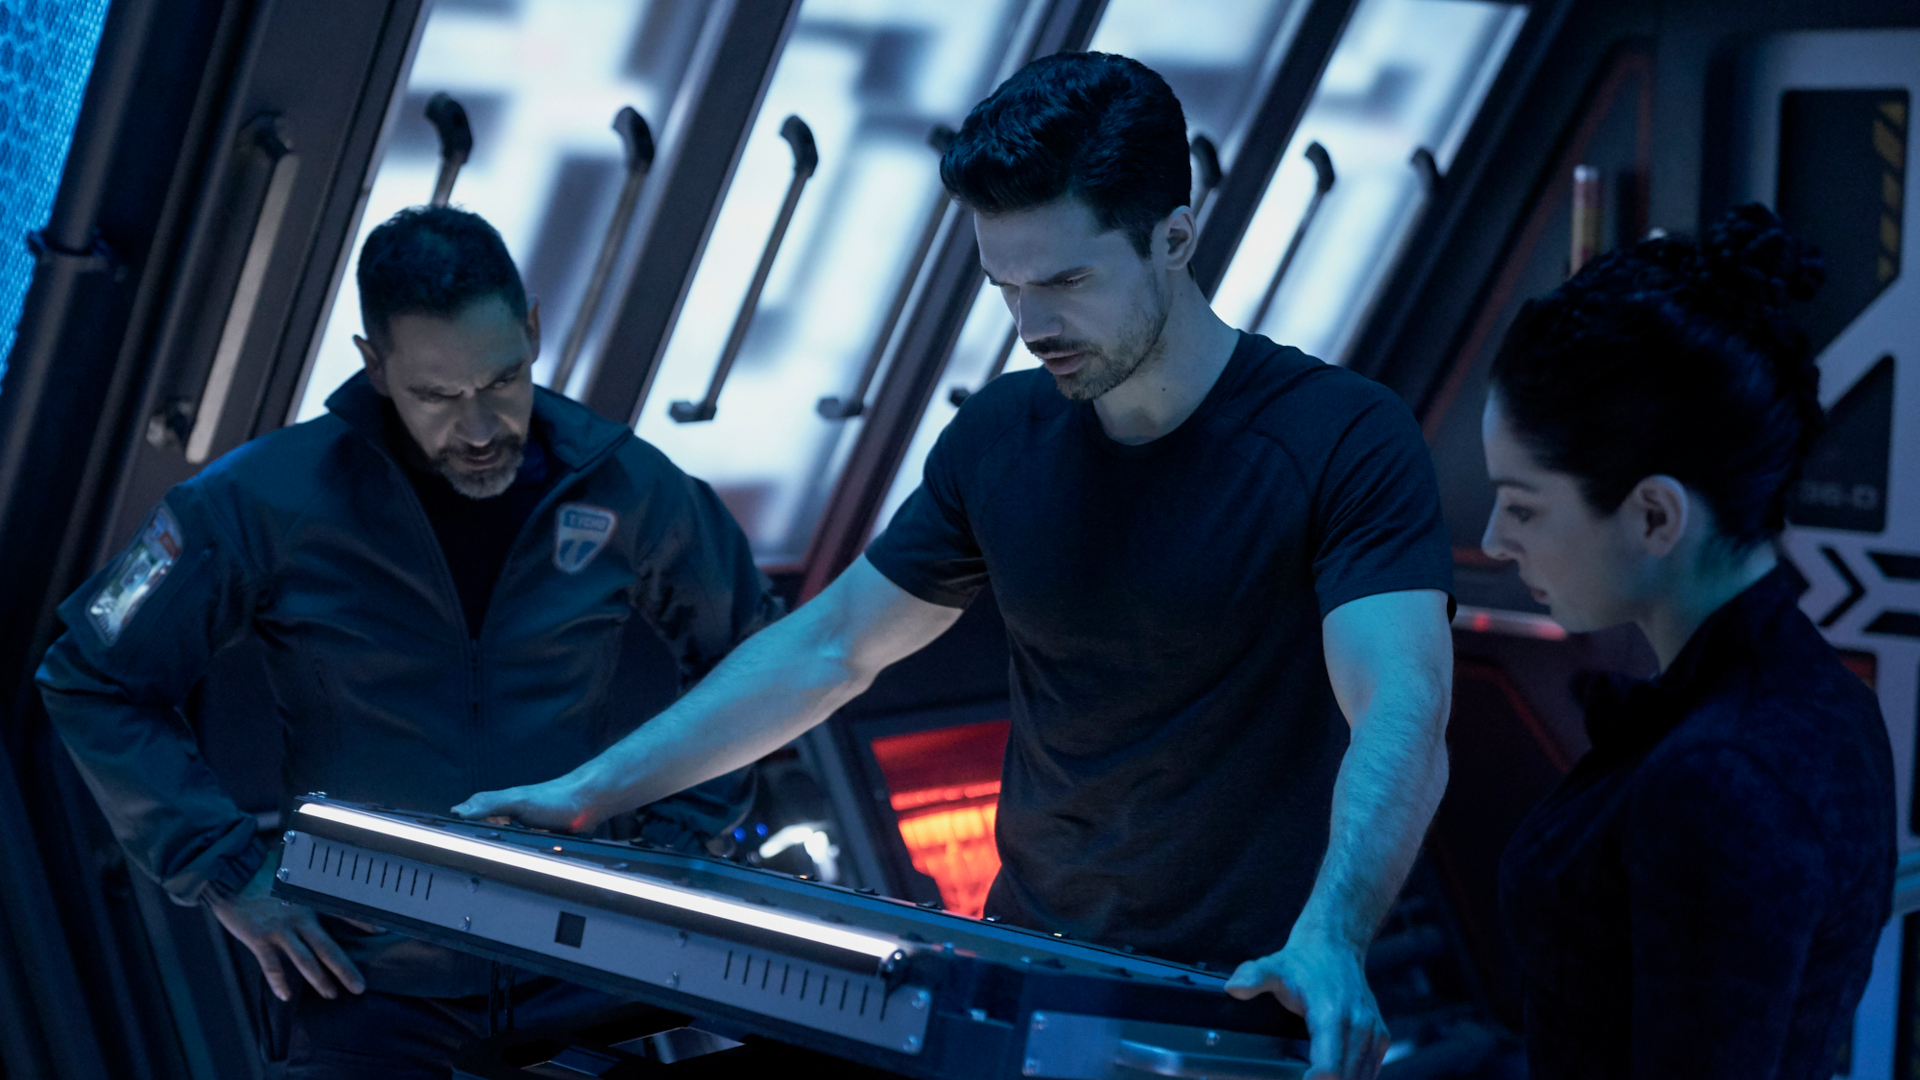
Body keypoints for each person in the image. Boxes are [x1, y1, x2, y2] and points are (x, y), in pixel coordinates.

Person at [456, 52, 1455, 1080]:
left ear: (1175, 239)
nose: (1031, 328)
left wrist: (1333, 937)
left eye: (1066, 281)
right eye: (1005, 286)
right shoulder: (1002, 437)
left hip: (1237, 1006)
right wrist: (587, 793)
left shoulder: (1341, 438)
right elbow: (834, 646)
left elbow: (1403, 709)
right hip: (1031, 978)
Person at [37, 206, 784, 1078]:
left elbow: (759, 655)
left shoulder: (622, 483)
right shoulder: (264, 502)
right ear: (375, 365)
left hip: (581, 969)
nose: (478, 428)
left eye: (501, 380)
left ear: (534, 330)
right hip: (365, 986)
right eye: (437, 396)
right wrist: (228, 869)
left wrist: (678, 848)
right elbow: (91, 677)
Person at [1482, 204, 1895, 1078]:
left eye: (1522, 505)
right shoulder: (1822, 700)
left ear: (1656, 515)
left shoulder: (1724, 777)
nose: (1492, 540)